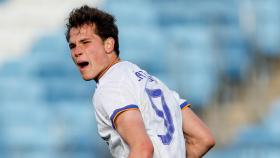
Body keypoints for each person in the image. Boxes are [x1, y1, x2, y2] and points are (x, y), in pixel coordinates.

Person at [65, 5, 215, 158]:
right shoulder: (149, 80)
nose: (77, 51)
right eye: (73, 46)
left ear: (109, 45)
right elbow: (203, 139)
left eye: (85, 42)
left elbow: (143, 149)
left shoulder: (111, 86)